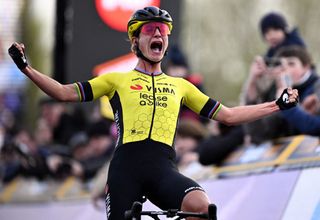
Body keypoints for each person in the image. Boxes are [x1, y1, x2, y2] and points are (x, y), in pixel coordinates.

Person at [8, 6, 298, 220]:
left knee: (201, 206)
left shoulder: (181, 86)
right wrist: (25, 68)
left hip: (163, 167)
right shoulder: (117, 80)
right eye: (149, 30)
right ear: (135, 42)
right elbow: (63, 92)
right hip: (126, 169)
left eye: (163, 30)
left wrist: (277, 104)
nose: (158, 34)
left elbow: (229, 115)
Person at [241, 12, 306, 144]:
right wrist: (255, 77)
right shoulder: (269, 56)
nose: (271, 35)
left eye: (275, 30)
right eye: (267, 32)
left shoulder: (296, 49)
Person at [274, 46, 320, 135]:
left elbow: (313, 127)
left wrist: (286, 102)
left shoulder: (317, 86)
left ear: (306, 66)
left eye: (291, 64)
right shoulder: (280, 89)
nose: (285, 69)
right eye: (281, 65)